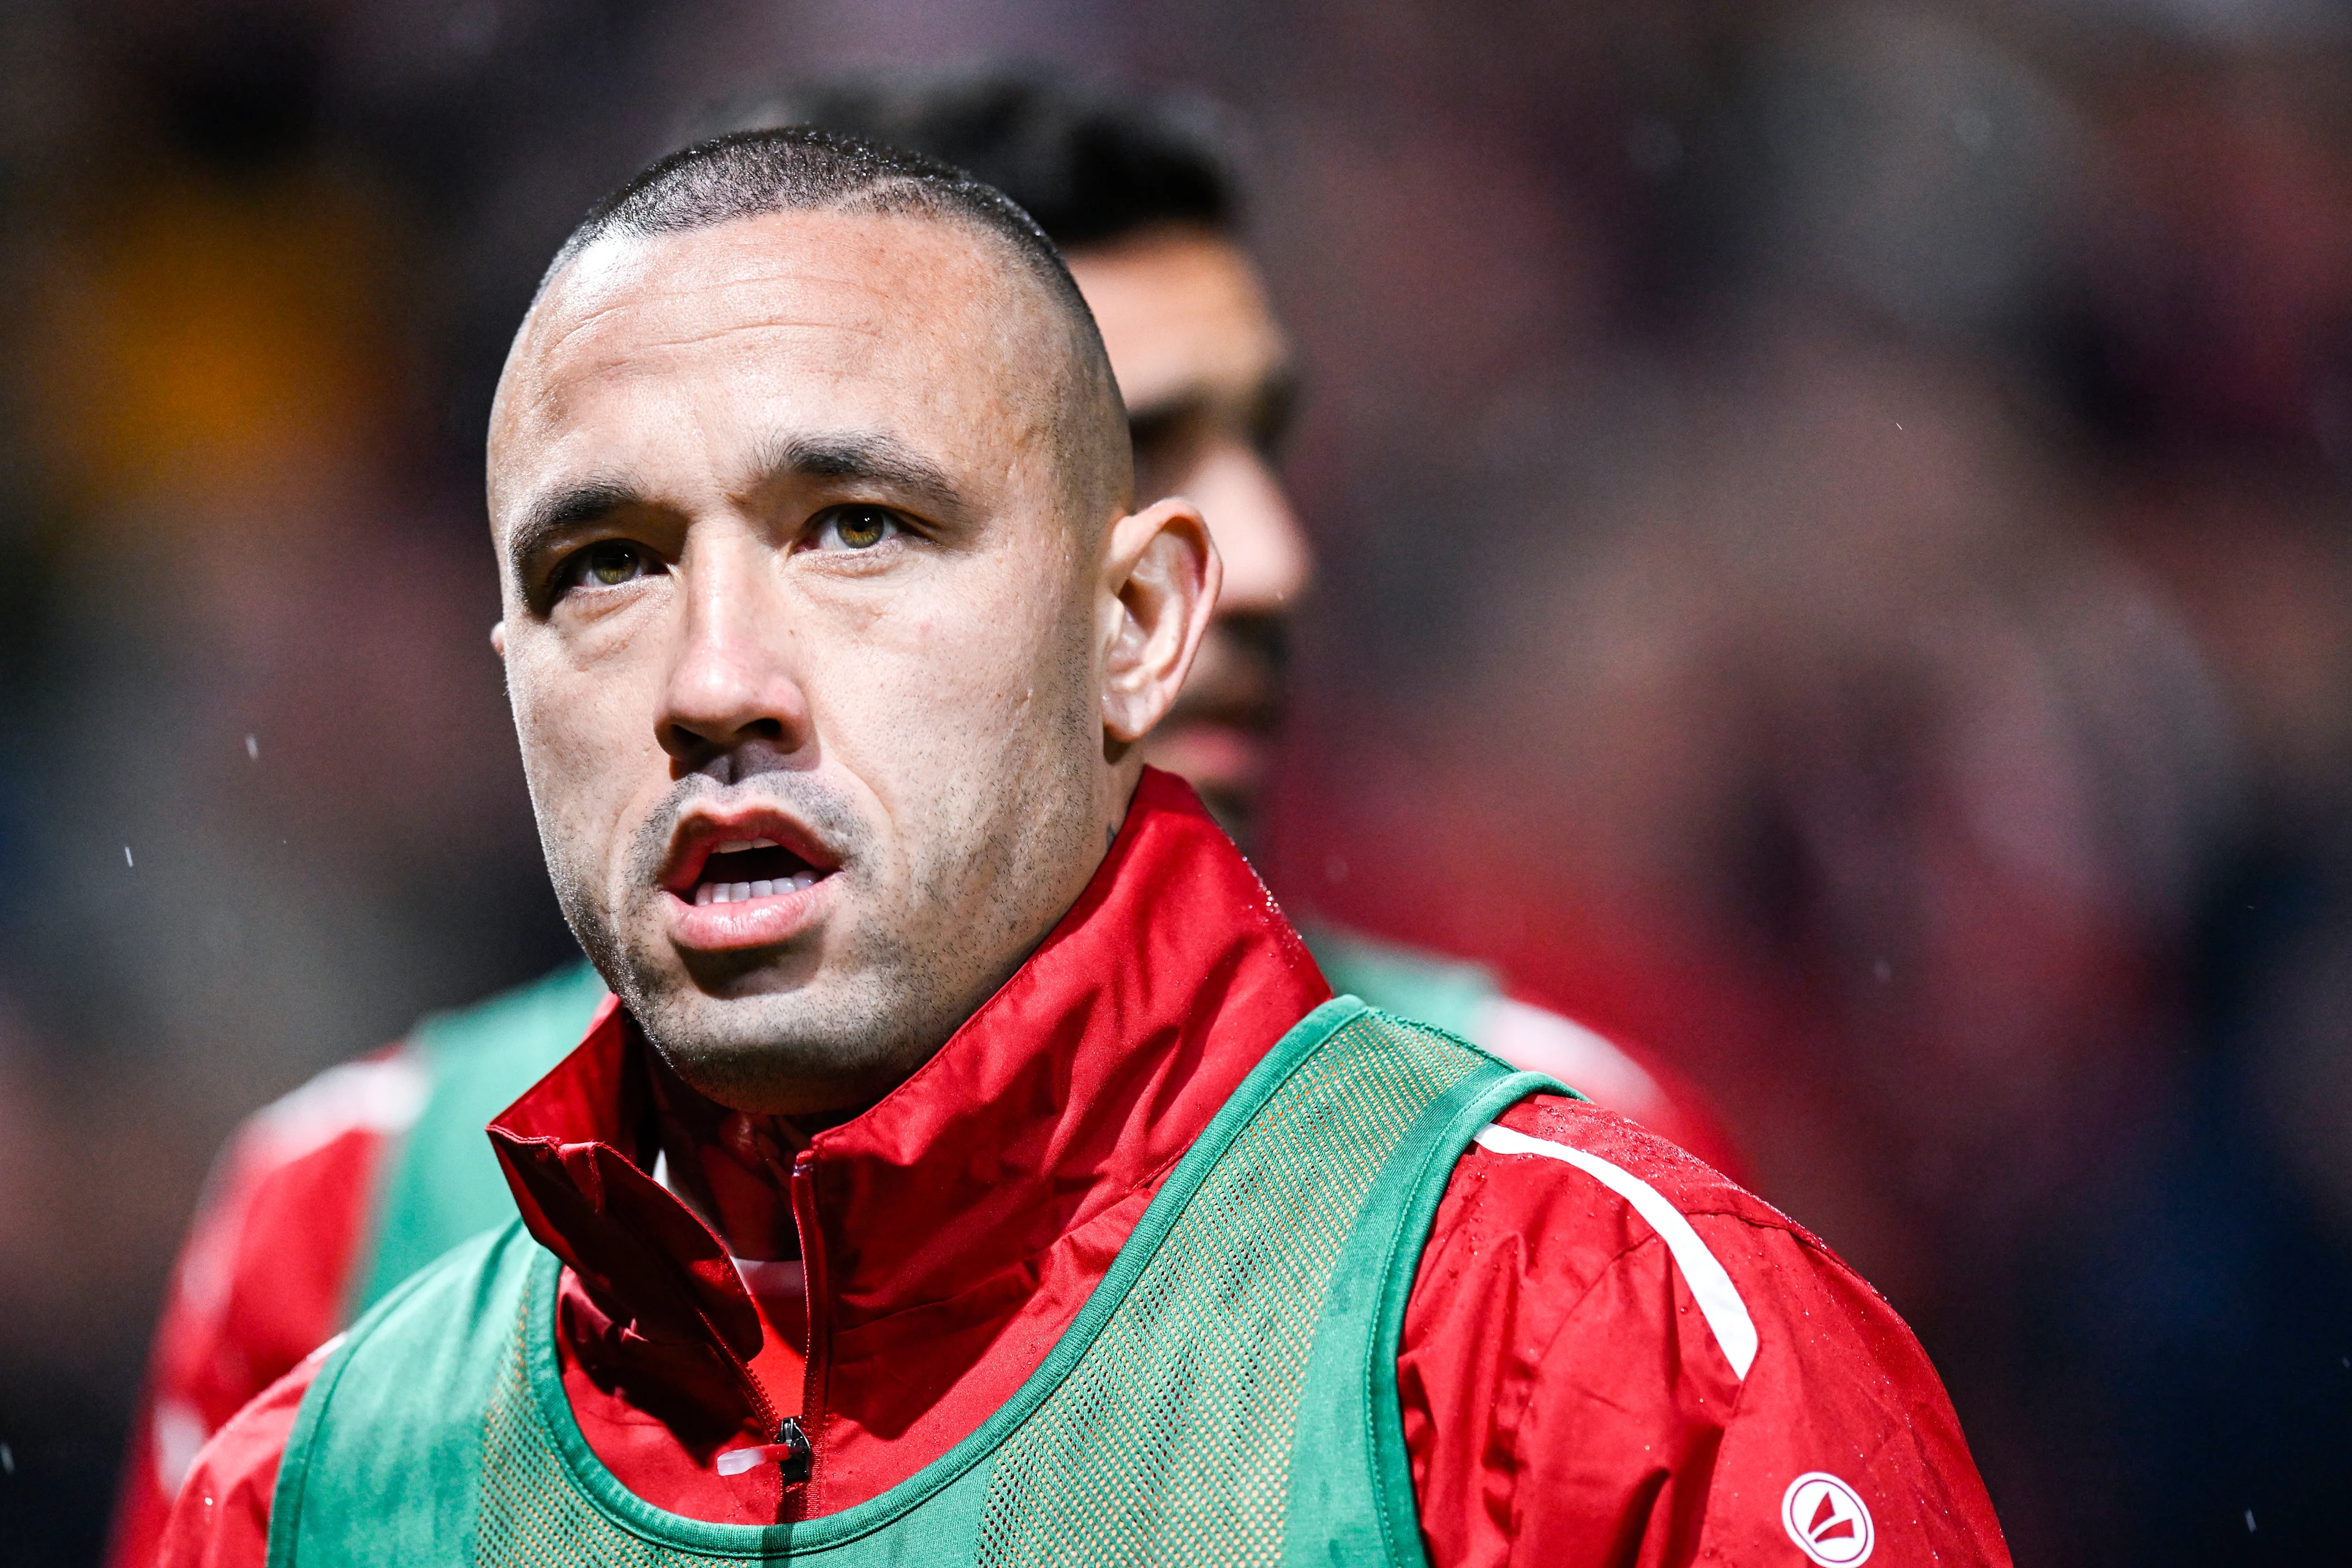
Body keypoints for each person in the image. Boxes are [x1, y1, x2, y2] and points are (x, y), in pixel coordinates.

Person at [160, 126, 2005, 1566]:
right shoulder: (306, 1504)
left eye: (859, 528)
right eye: (607, 568)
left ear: (1138, 629)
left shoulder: (1584, 1354)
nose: (716, 679)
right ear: (510, 669)